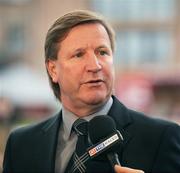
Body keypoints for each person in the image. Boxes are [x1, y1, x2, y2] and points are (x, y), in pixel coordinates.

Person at [2, 10, 180, 173]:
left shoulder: (162, 138)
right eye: (79, 54)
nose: (95, 66)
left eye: (102, 52)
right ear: (53, 69)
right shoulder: (20, 144)